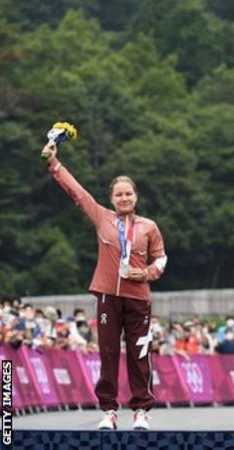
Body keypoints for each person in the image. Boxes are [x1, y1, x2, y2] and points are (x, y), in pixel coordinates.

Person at [41, 142, 167, 431]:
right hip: (108, 297)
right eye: (118, 194)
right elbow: (78, 193)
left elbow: (161, 259)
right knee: (108, 354)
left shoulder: (149, 226)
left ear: (136, 196)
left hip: (139, 299)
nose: (124, 198)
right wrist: (54, 164)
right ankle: (109, 411)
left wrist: (144, 273)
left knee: (139, 354)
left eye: (128, 193)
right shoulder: (103, 217)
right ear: (111, 198)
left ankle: (141, 411)